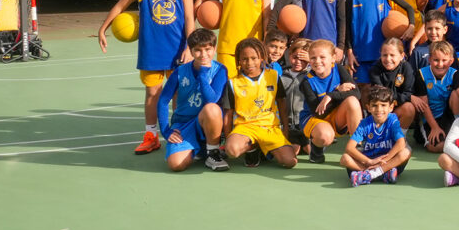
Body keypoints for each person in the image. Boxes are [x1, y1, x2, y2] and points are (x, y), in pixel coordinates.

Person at [96, 0, 194, 154]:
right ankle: (151, 135)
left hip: (178, 48)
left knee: (178, 94)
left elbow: (189, 18)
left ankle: (178, 133)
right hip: (152, 49)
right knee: (153, 93)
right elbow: (121, 5)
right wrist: (103, 28)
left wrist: (190, 46)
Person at [155, 29, 227, 171]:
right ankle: (200, 149)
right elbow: (163, 101)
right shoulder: (180, 72)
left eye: (208, 49)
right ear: (191, 51)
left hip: (207, 120)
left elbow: (211, 99)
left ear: (215, 49)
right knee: (176, 165)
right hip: (183, 123)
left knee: (211, 109)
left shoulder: (220, 70)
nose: (203, 55)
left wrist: (202, 75)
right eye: (198, 50)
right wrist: (165, 130)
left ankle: (212, 152)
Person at [222, 38, 297, 169]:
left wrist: (285, 129)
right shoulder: (233, 83)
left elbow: (281, 103)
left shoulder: (273, 76)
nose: (249, 63)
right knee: (232, 150)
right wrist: (228, 138)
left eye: (254, 58)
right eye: (244, 59)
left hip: (269, 127)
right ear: (239, 60)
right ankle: (253, 149)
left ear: (262, 57)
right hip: (245, 127)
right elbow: (228, 114)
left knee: (290, 162)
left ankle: (264, 148)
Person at [343, 0, 417, 83]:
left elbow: (409, 8)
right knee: (364, 90)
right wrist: (349, 51)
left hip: (383, 54)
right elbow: (347, 26)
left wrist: (411, 26)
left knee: (384, 90)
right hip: (360, 54)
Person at [297, 38, 364, 163]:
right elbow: (318, 112)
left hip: (334, 115)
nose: (317, 61)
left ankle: (357, 149)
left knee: (352, 101)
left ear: (333, 58)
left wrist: (331, 96)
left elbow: (356, 93)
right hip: (314, 118)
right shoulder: (307, 81)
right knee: (325, 136)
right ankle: (316, 150)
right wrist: (338, 92)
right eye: (313, 58)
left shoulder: (339, 69)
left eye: (322, 57)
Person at [342, 86, 411, 186]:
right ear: (368, 107)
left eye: (383, 105)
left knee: (406, 152)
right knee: (345, 158)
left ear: (391, 107)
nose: (379, 110)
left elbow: (401, 143)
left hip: (387, 162)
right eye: (374, 105)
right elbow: (349, 148)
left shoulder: (393, 120)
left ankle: (369, 175)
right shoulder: (364, 124)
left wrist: (383, 161)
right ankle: (383, 174)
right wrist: (370, 161)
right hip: (368, 162)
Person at [416, 40, 459, 153]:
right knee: (435, 147)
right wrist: (434, 127)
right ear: (429, 59)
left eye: (444, 60)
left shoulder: (455, 74)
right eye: (436, 60)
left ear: (451, 61)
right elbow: (423, 104)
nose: (440, 64)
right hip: (430, 117)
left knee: (457, 94)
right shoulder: (421, 75)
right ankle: (453, 143)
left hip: (448, 116)